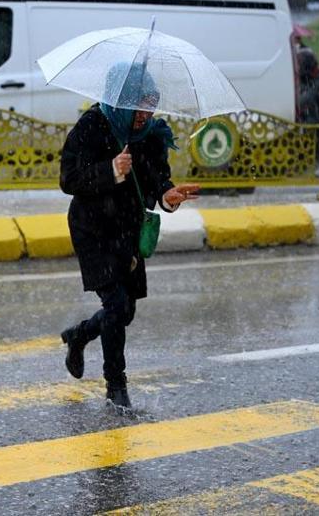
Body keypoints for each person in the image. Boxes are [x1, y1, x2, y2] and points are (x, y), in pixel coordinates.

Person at [59, 63, 200, 410]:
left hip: (127, 230)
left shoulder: (152, 134)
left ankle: (78, 336)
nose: (145, 113)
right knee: (116, 305)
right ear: (120, 100)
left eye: (151, 104)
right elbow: (69, 179)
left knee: (124, 313)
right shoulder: (93, 125)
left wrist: (168, 196)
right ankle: (116, 387)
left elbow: (157, 179)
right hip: (92, 230)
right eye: (139, 105)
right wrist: (111, 170)